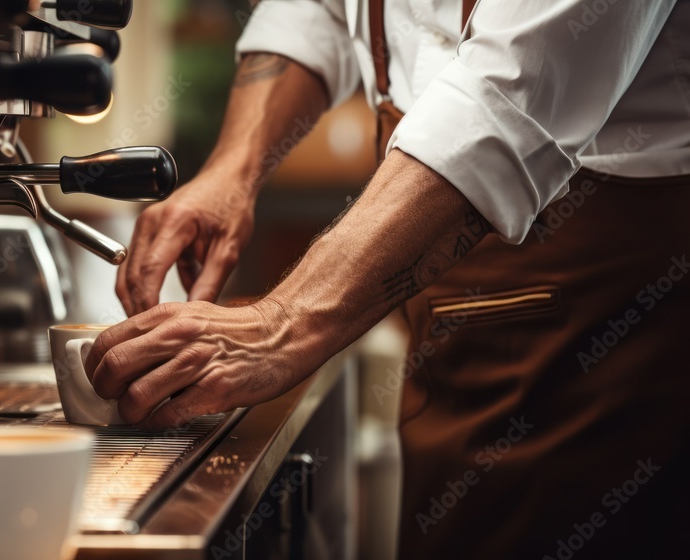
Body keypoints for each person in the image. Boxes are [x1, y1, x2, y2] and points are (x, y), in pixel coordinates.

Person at [85, 1, 690, 557]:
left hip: (624, 336)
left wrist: (281, 324)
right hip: (450, 354)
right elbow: (313, 8)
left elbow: (511, 94)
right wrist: (232, 170)